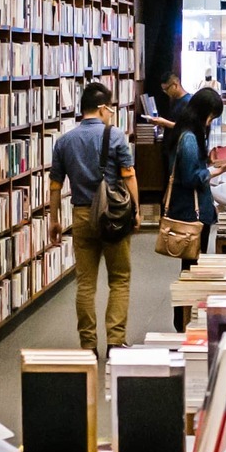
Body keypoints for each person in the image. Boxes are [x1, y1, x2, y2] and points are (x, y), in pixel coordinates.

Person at [50, 82, 137, 351]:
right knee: (119, 278)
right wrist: (136, 210)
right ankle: (115, 341)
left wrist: (54, 219)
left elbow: (55, 186)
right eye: (109, 109)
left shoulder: (64, 142)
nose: (110, 113)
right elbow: (129, 175)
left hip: (82, 215)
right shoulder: (115, 136)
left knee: (85, 284)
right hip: (113, 215)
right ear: (101, 108)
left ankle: (88, 345)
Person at [165, 86, 226, 267]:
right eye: (210, 117)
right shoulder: (189, 139)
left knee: (191, 262)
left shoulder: (183, 131)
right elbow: (190, 177)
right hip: (193, 211)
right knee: (193, 263)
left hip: (190, 208)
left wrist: (207, 160)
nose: (209, 123)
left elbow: (187, 165)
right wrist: (217, 171)